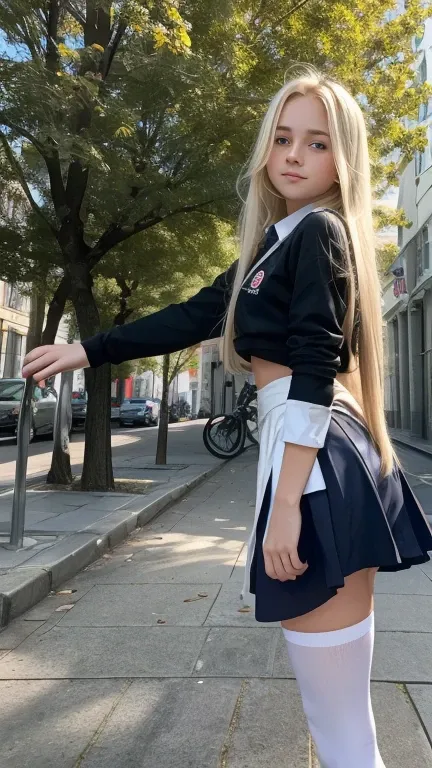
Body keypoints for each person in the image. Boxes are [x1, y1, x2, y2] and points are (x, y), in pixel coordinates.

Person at [22, 66, 432, 767]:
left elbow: (313, 362)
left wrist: (285, 508)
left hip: (314, 452)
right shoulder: (272, 243)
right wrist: (86, 351)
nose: (295, 155)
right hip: (307, 448)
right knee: (338, 717)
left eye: (318, 143)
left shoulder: (320, 233)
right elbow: (189, 316)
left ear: (345, 161)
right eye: (282, 138)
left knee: (338, 725)